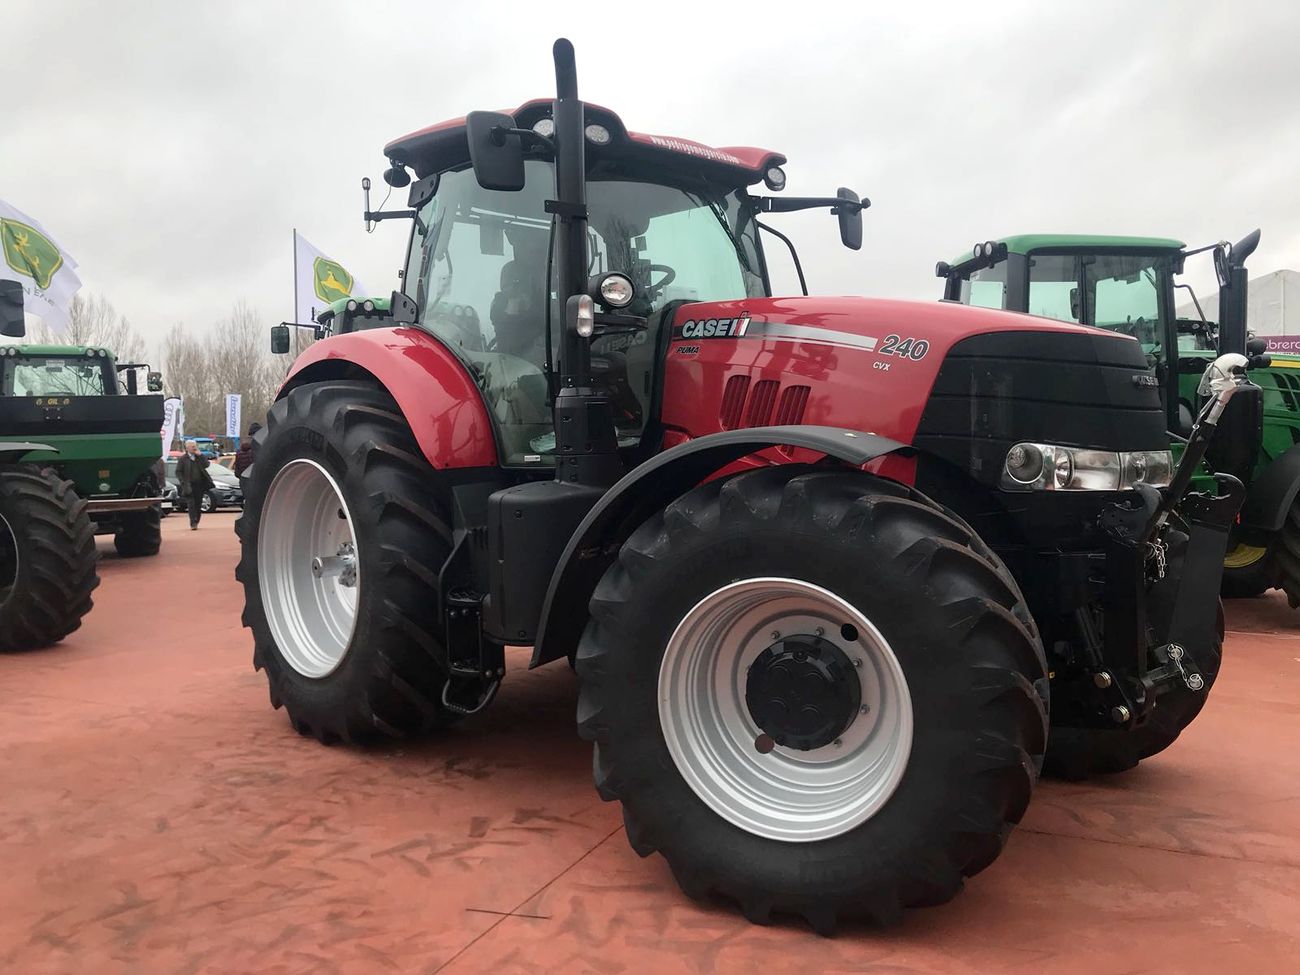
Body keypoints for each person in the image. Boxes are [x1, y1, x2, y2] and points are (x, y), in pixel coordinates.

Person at [176, 439, 214, 530]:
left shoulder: (198, 457)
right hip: (188, 485)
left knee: (198, 504)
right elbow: (178, 471)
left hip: (199, 484)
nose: (194, 448)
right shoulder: (183, 459)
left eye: (195, 446)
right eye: (192, 446)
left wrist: (201, 455)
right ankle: (193, 523)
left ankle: (196, 520)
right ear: (187, 448)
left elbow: (207, 465)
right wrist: (183, 481)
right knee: (191, 504)